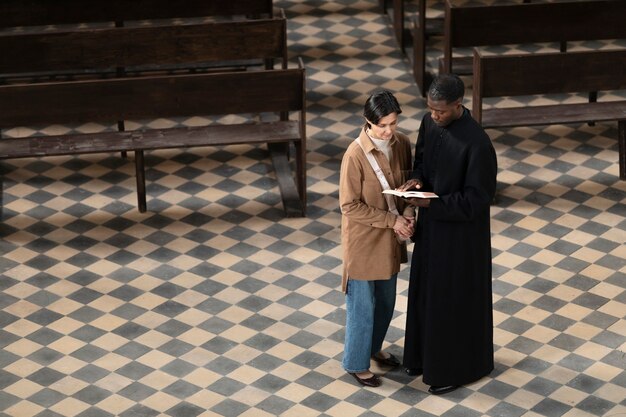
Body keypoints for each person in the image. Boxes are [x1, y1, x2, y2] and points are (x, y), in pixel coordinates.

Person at [399, 74, 497, 395]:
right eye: (430, 109)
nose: (434, 115)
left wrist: (432, 204)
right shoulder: (430, 123)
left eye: (440, 111)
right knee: (427, 292)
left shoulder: (478, 143)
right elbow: (422, 162)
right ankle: (422, 356)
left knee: (452, 302)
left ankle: (458, 367)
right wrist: (416, 181)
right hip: (433, 230)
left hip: (461, 240)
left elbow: (476, 201)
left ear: (458, 105)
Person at [339, 90, 415, 387]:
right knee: (362, 307)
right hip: (363, 241)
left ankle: (372, 349)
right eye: (382, 125)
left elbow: (408, 186)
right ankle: (356, 363)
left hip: (391, 238)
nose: (388, 131)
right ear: (367, 122)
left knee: (385, 301)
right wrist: (392, 220)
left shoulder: (403, 144)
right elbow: (349, 205)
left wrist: (407, 215)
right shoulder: (354, 155)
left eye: (393, 123)